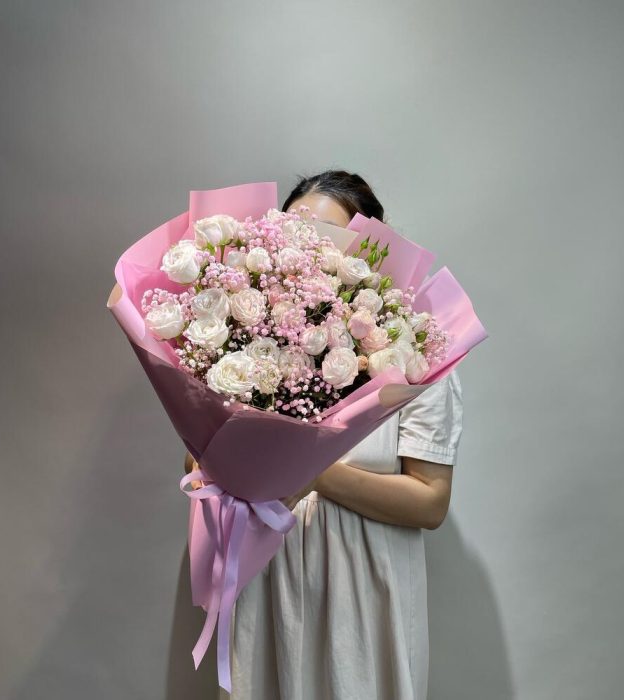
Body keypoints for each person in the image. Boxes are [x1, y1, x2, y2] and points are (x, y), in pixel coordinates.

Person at [185, 169, 464, 699]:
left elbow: (430, 502)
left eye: (326, 236)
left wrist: (312, 471)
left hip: (365, 589)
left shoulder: (413, 354)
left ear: (368, 250)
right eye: (292, 231)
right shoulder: (244, 345)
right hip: (268, 579)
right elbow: (197, 470)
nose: (307, 248)